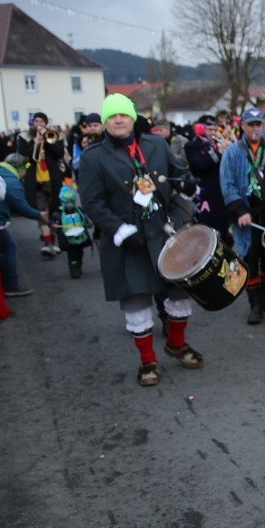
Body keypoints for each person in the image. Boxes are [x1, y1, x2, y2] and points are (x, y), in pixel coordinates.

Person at [78, 94, 202, 387]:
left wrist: (186, 182)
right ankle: (148, 362)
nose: (118, 120)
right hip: (126, 239)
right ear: (105, 122)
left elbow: (177, 173)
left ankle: (176, 343)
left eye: (123, 114)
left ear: (133, 117)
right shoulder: (93, 157)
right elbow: (92, 203)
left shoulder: (155, 144)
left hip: (163, 234)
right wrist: (120, 230)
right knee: (136, 303)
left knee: (179, 292)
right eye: (112, 116)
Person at [220, 106, 265, 325]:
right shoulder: (232, 152)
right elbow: (227, 184)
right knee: (251, 259)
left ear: (263, 125)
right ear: (242, 126)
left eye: (258, 124)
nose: (254, 128)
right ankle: (254, 304)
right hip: (246, 217)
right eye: (250, 124)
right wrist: (240, 211)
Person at [0, 153, 46, 296]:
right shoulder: (12, 181)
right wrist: (39, 215)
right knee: (9, 249)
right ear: (20, 168)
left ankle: (2, 283)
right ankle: (10, 285)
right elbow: (21, 207)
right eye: (26, 168)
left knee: (1, 251)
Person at [17, 112, 66, 258]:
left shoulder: (54, 135)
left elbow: (59, 154)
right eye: (36, 121)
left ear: (46, 123)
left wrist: (48, 139)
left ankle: (53, 240)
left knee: (54, 210)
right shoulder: (24, 137)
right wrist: (35, 143)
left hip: (52, 178)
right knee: (41, 210)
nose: (39, 124)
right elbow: (23, 156)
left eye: (41, 121)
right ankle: (47, 243)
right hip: (35, 179)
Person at [185, 122, 231, 245]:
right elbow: (200, 164)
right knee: (206, 230)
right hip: (204, 195)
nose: (212, 133)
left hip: (221, 193)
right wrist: (219, 152)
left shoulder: (217, 143)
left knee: (224, 229)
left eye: (214, 129)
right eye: (209, 129)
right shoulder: (191, 146)